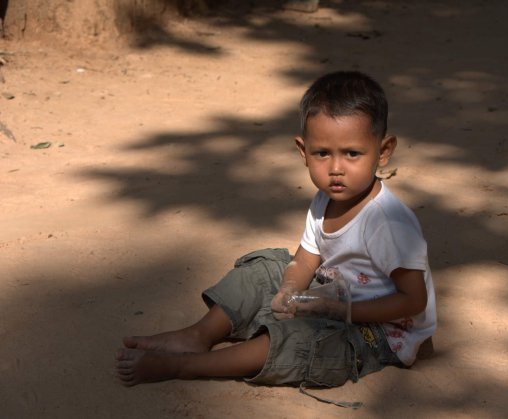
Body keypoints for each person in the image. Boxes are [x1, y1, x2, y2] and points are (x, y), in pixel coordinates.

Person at [115, 71, 437, 394]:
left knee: (299, 341)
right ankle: (199, 335)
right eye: (322, 153)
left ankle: (184, 366)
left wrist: (343, 312)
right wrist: (289, 289)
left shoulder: (388, 223)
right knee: (265, 266)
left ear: (383, 152)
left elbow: (413, 300)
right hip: (333, 295)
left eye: (352, 153)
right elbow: (305, 260)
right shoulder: (325, 199)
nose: (336, 168)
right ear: (303, 151)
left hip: (379, 331)